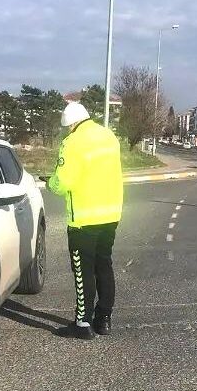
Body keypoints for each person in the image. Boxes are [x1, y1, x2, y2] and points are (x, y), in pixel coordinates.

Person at [47, 102, 124, 340]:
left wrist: (51, 183)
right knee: (104, 266)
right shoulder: (109, 136)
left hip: (83, 218)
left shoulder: (72, 143)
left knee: (83, 272)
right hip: (110, 215)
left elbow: (64, 182)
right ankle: (104, 320)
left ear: (71, 124)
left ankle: (82, 323)